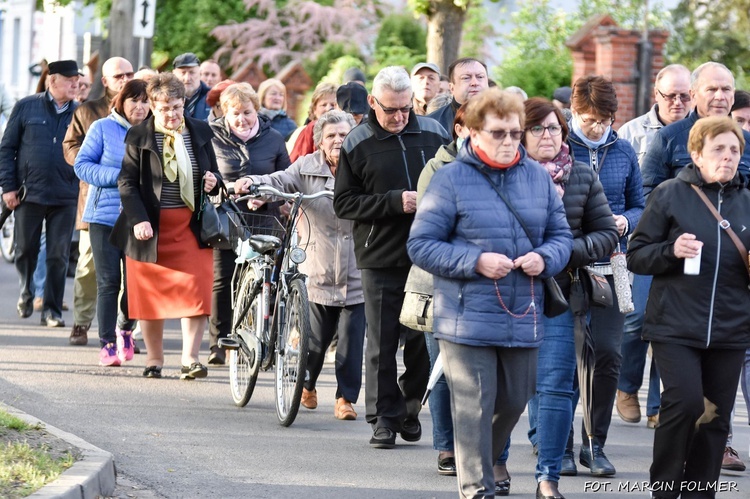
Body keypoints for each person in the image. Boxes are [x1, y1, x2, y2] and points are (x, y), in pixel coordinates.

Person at [407, 88, 572, 498]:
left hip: (524, 311)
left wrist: (545, 257)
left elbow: (561, 236)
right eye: (498, 133)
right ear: (474, 133)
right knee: (474, 405)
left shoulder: (537, 176)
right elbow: (421, 244)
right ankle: (475, 487)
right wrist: (475, 261)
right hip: (466, 316)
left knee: (515, 401)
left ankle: (480, 460)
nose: (509, 141)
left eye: (515, 133)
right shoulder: (450, 179)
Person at [627, 116, 750, 499]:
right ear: (696, 154)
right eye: (718, 149)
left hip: (731, 327)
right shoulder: (669, 194)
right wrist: (671, 250)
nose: (727, 157)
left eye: (734, 150)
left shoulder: (747, 202)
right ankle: (664, 489)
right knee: (684, 403)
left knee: (715, 419)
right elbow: (636, 256)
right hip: (675, 325)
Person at [333, 66, 449, 449]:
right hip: (379, 254)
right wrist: (394, 202)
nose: (399, 117)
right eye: (390, 110)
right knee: (382, 342)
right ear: (372, 102)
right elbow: (344, 202)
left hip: (428, 253)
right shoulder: (356, 141)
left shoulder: (433, 132)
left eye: (405, 109)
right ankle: (382, 417)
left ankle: (410, 408)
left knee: (420, 340)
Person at [518, 97, 619, 499]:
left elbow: (607, 233)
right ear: (521, 134)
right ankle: (496, 464)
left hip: (562, 291)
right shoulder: (503, 176)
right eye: (538, 128)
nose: (548, 135)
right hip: (508, 293)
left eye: (555, 128)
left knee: (557, 384)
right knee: (510, 386)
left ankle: (549, 473)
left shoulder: (580, 175)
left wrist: (565, 251)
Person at [235, 110, 365, 419]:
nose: (338, 140)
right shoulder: (307, 166)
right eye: (331, 135)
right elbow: (280, 180)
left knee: (351, 343)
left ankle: (345, 399)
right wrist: (254, 182)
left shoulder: (364, 166)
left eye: (344, 134)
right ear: (320, 141)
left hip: (357, 269)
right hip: (317, 267)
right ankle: (307, 385)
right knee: (316, 342)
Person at [110, 73, 220, 380]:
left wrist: (214, 182)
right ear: (152, 107)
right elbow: (127, 182)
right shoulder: (138, 135)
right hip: (150, 228)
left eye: (175, 106)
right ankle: (154, 359)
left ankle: (190, 359)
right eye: (163, 108)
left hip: (191, 227)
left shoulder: (199, 130)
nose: (171, 114)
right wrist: (139, 219)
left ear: (183, 102)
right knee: (150, 296)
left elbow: (214, 174)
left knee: (196, 292)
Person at [566, 75, 644, 477]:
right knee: (566, 355)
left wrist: (624, 222)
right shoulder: (559, 147)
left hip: (615, 263)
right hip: (569, 264)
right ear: (574, 113)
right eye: (589, 119)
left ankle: (594, 444)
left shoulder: (624, 149)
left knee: (609, 355)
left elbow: (640, 205)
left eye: (605, 120)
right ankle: (558, 443)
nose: (598, 127)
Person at [614, 64, 692, 431]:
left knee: (672, 324)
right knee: (637, 317)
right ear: (656, 96)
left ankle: (658, 404)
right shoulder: (631, 133)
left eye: (684, 95)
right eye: (670, 95)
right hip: (642, 241)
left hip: (689, 246)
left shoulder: (700, 132)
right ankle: (626, 386)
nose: (678, 102)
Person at [207, 82, 290, 365]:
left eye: (247, 112)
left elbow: (286, 180)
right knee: (224, 279)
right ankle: (219, 342)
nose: (241, 119)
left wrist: (268, 198)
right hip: (227, 216)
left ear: (257, 110)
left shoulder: (274, 138)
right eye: (235, 113)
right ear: (225, 114)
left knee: (267, 282)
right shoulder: (213, 137)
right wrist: (227, 189)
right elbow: (206, 180)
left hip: (265, 218)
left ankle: (264, 342)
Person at [74, 79, 150, 366]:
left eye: (145, 101)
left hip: (140, 220)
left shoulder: (156, 132)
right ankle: (106, 343)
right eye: (134, 100)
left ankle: (126, 330)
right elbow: (82, 166)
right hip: (104, 217)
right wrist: (119, 177)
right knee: (108, 282)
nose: (140, 107)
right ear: (122, 101)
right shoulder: (102, 128)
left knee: (135, 283)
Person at [0, 60, 80, 327]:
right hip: (28, 193)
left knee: (58, 255)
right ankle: (26, 290)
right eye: (69, 80)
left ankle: (52, 310)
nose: (75, 84)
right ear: (52, 80)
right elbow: (7, 148)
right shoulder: (26, 106)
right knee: (25, 249)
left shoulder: (81, 113)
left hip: (65, 195)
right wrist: (8, 188)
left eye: (76, 80)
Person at [63, 56, 135, 346]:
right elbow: (73, 150)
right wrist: (99, 173)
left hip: (132, 210)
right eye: (119, 75)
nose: (125, 79)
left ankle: (122, 328)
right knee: (89, 266)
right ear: (105, 81)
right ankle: (81, 321)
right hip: (95, 200)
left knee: (126, 274)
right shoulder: (89, 111)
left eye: (129, 74)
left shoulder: (144, 113)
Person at [641, 62, 750, 195]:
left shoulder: (747, 140)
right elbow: (647, 192)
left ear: (733, 96)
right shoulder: (669, 137)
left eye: (726, 89)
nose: (720, 96)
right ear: (693, 96)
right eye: (712, 89)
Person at [428, 57, 489, 133]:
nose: (474, 83)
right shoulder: (433, 124)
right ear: (452, 88)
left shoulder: (504, 116)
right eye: (466, 78)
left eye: (480, 77)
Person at [288, 82, 337, 161]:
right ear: (314, 109)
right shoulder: (302, 132)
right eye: (323, 105)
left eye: (333, 105)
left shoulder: (346, 130)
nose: (328, 109)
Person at [172, 52, 211, 121]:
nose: (187, 78)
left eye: (192, 72)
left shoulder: (212, 97)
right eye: (183, 73)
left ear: (200, 73)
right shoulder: (167, 99)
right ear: (174, 74)